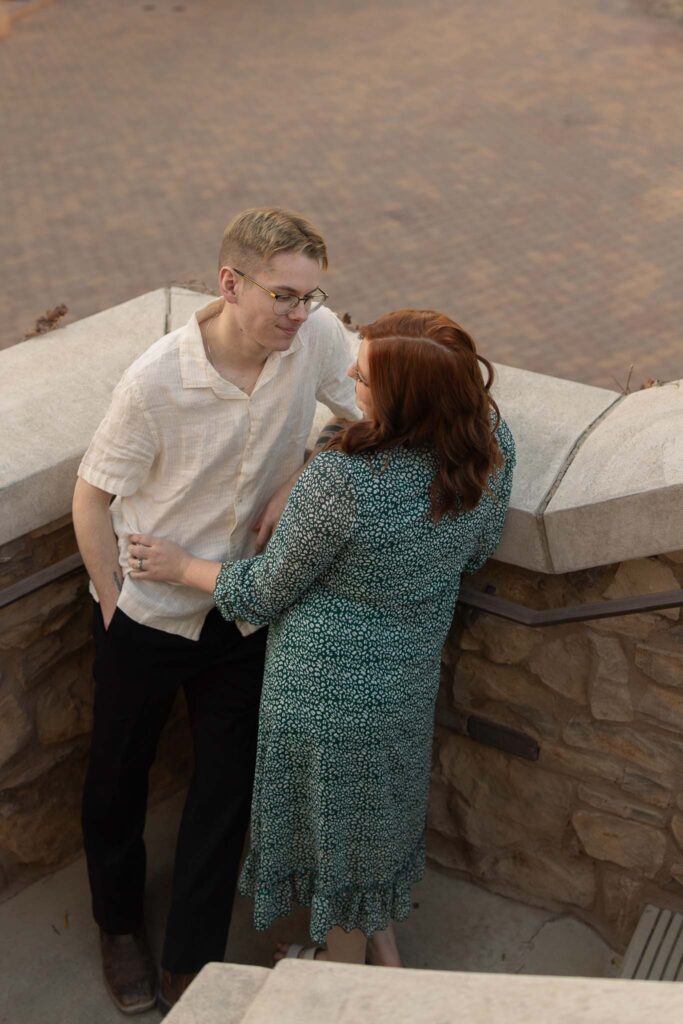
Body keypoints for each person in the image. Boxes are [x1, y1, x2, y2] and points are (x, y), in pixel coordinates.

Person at [125, 308, 516, 969]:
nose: (348, 380)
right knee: (370, 832)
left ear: (406, 400)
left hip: (322, 695)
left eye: (364, 379)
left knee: (336, 847)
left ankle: (339, 982)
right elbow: (475, 551)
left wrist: (177, 566)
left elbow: (262, 591)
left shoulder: (343, 482)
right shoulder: (488, 444)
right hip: (404, 683)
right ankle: (379, 947)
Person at [72, 207, 359, 1014]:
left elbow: (363, 412)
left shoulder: (316, 336)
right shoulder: (157, 380)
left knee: (226, 786)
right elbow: (90, 499)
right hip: (151, 610)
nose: (300, 315)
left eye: (311, 295)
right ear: (230, 284)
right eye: (284, 296)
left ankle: (189, 959)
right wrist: (111, 609)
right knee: (117, 778)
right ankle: (118, 927)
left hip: (240, 608)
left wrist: (301, 468)